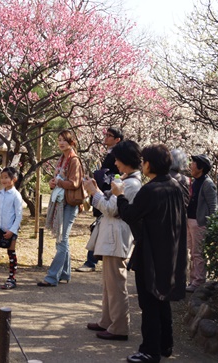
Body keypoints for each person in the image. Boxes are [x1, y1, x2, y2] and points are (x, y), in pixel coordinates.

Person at [113, 144, 187, 363]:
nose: (142, 163)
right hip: (171, 251)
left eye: (144, 160)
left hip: (151, 254)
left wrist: (120, 195)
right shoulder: (174, 185)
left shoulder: (150, 189)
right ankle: (166, 344)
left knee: (149, 304)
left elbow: (130, 215)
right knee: (162, 299)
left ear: (150, 164)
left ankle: (149, 351)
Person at [83, 140, 142, 341]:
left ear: (126, 160)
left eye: (117, 158)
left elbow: (113, 208)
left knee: (116, 284)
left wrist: (95, 192)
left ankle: (119, 327)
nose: (115, 162)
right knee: (109, 283)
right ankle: (107, 320)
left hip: (118, 238)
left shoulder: (132, 184)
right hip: (112, 237)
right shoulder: (127, 180)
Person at [38, 129, 85, 287]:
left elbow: (75, 183)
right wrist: (53, 182)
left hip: (69, 203)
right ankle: (65, 273)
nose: (60, 143)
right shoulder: (62, 159)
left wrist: (58, 182)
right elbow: (60, 179)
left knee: (62, 239)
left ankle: (52, 277)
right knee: (61, 239)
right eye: (59, 140)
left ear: (71, 142)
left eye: (64, 140)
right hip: (60, 201)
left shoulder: (73, 160)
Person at [76, 127, 123, 272]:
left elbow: (115, 175)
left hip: (109, 194)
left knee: (99, 226)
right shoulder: (111, 153)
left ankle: (91, 262)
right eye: (106, 135)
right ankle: (92, 260)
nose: (106, 138)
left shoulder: (117, 155)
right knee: (98, 226)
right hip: (104, 193)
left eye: (110, 136)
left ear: (117, 140)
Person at [186, 154, 218, 293]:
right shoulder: (195, 181)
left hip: (200, 222)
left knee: (198, 253)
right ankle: (193, 280)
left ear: (201, 167)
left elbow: (213, 206)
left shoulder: (207, 183)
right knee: (192, 252)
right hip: (190, 221)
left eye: (194, 162)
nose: (191, 164)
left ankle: (198, 281)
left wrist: (211, 224)